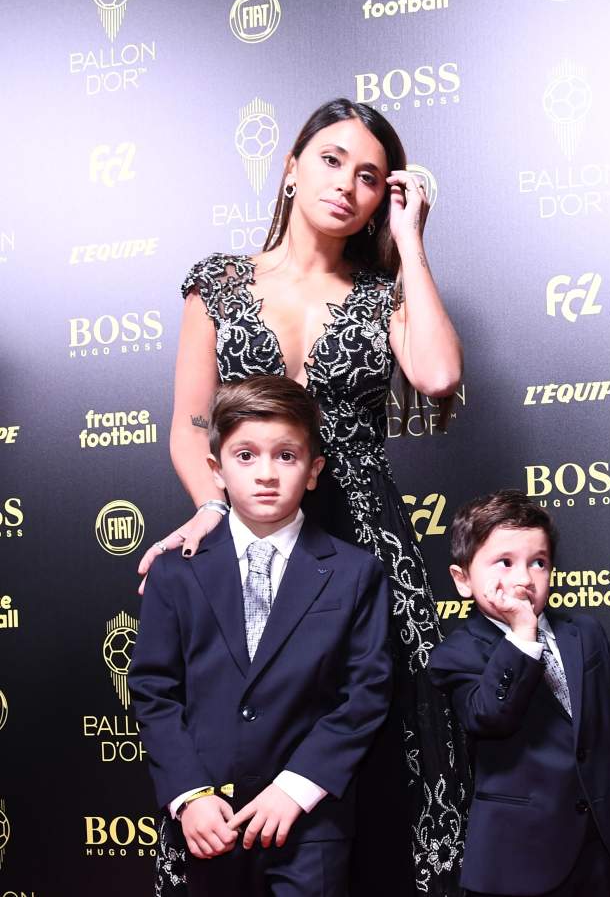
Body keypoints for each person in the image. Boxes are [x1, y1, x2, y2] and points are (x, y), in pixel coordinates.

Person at [137, 98, 469, 895]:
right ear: (289, 168)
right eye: (330, 160)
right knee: (234, 719)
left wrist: (410, 244)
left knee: (382, 741)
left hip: (365, 542)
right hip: (244, 529)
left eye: (370, 177)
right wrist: (212, 508)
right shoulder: (217, 284)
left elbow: (438, 375)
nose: (347, 184)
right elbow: (190, 425)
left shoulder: (383, 294)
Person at [130, 375, 393, 897]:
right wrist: (189, 794)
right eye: (246, 455)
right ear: (217, 470)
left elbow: (365, 693)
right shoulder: (175, 572)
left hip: (310, 826)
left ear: (313, 471)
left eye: (286, 456)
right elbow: (153, 691)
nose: (266, 474)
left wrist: (296, 789)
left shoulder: (355, 572)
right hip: (208, 823)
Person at [428, 491, 610, 897]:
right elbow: (489, 715)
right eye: (505, 562)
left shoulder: (584, 632)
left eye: (539, 562)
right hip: (520, 858)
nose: (524, 579)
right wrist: (522, 635)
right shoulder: (456, 654)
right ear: (463, 580)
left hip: (604, 848)